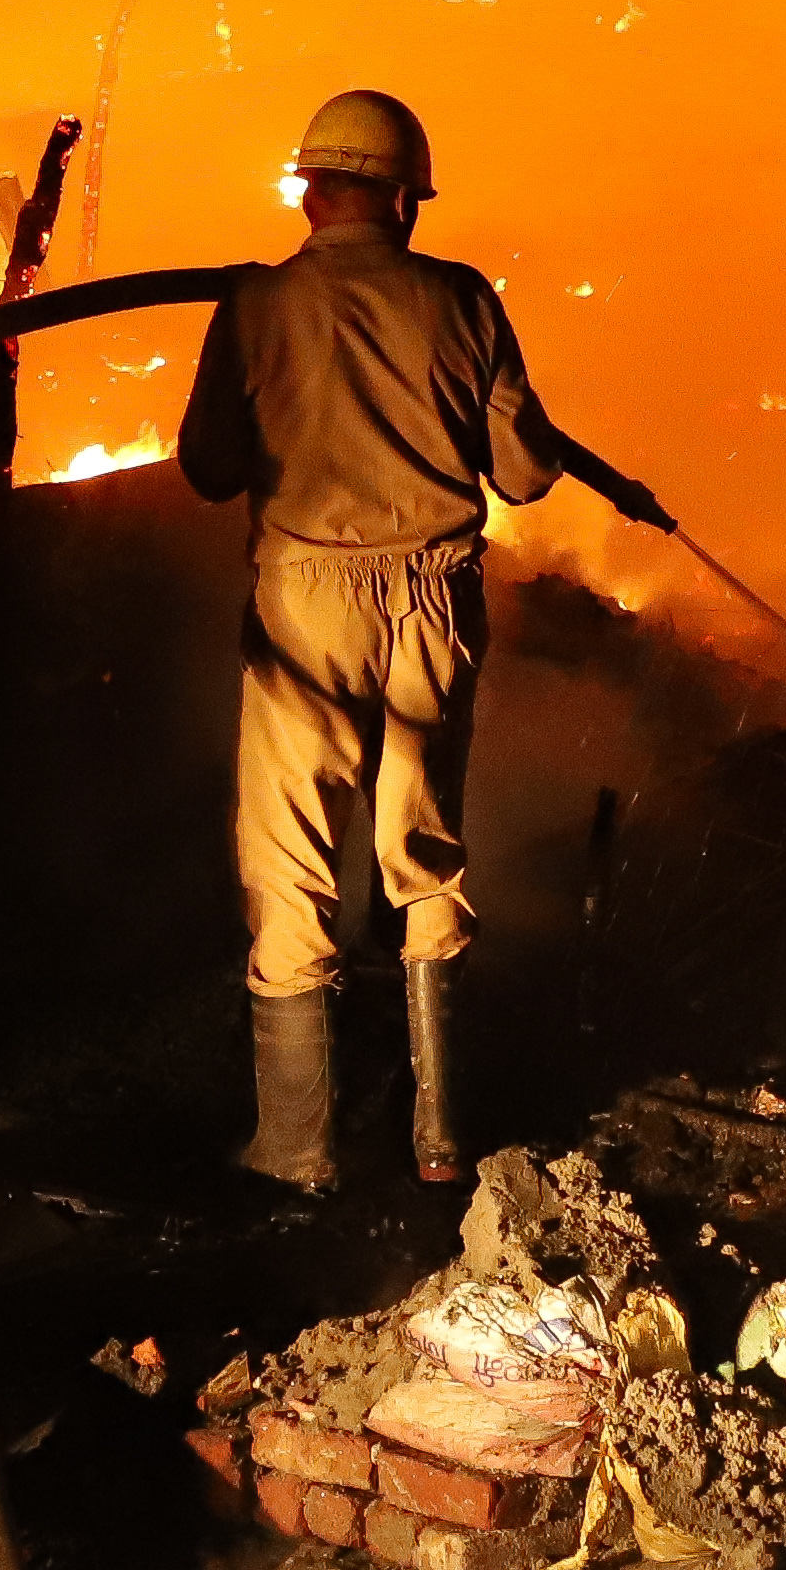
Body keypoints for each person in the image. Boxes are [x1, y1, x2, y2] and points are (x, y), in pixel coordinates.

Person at [172, 88, 596, 1194]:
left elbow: (209, 468)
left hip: (306, 602)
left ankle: (298, 1147)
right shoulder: (461, 299)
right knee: (424, 851)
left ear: (309, 188)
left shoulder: (257, 305)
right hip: (436, 598)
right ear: (407, 198)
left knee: (291, 855)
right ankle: (442, 1137)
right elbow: (528, 473)